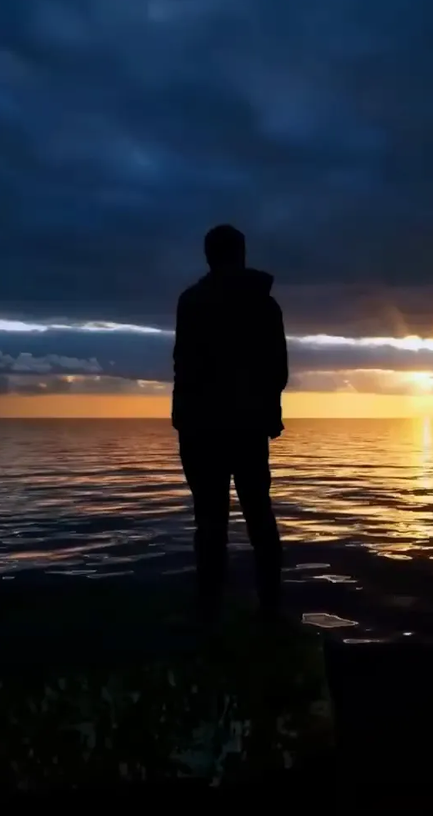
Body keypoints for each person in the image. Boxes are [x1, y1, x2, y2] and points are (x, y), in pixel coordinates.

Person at [172, 224, 288, 617]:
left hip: (203, 431)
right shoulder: (265, 305)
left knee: (210, 523)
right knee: (259, 517)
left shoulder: (191, 302)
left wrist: (182, 420)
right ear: (241, 254)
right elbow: (278, 370)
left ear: (208, 256)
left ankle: (210, 610)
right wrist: (270, 411)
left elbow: (182, 367)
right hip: (248, 428)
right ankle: (271, 609)